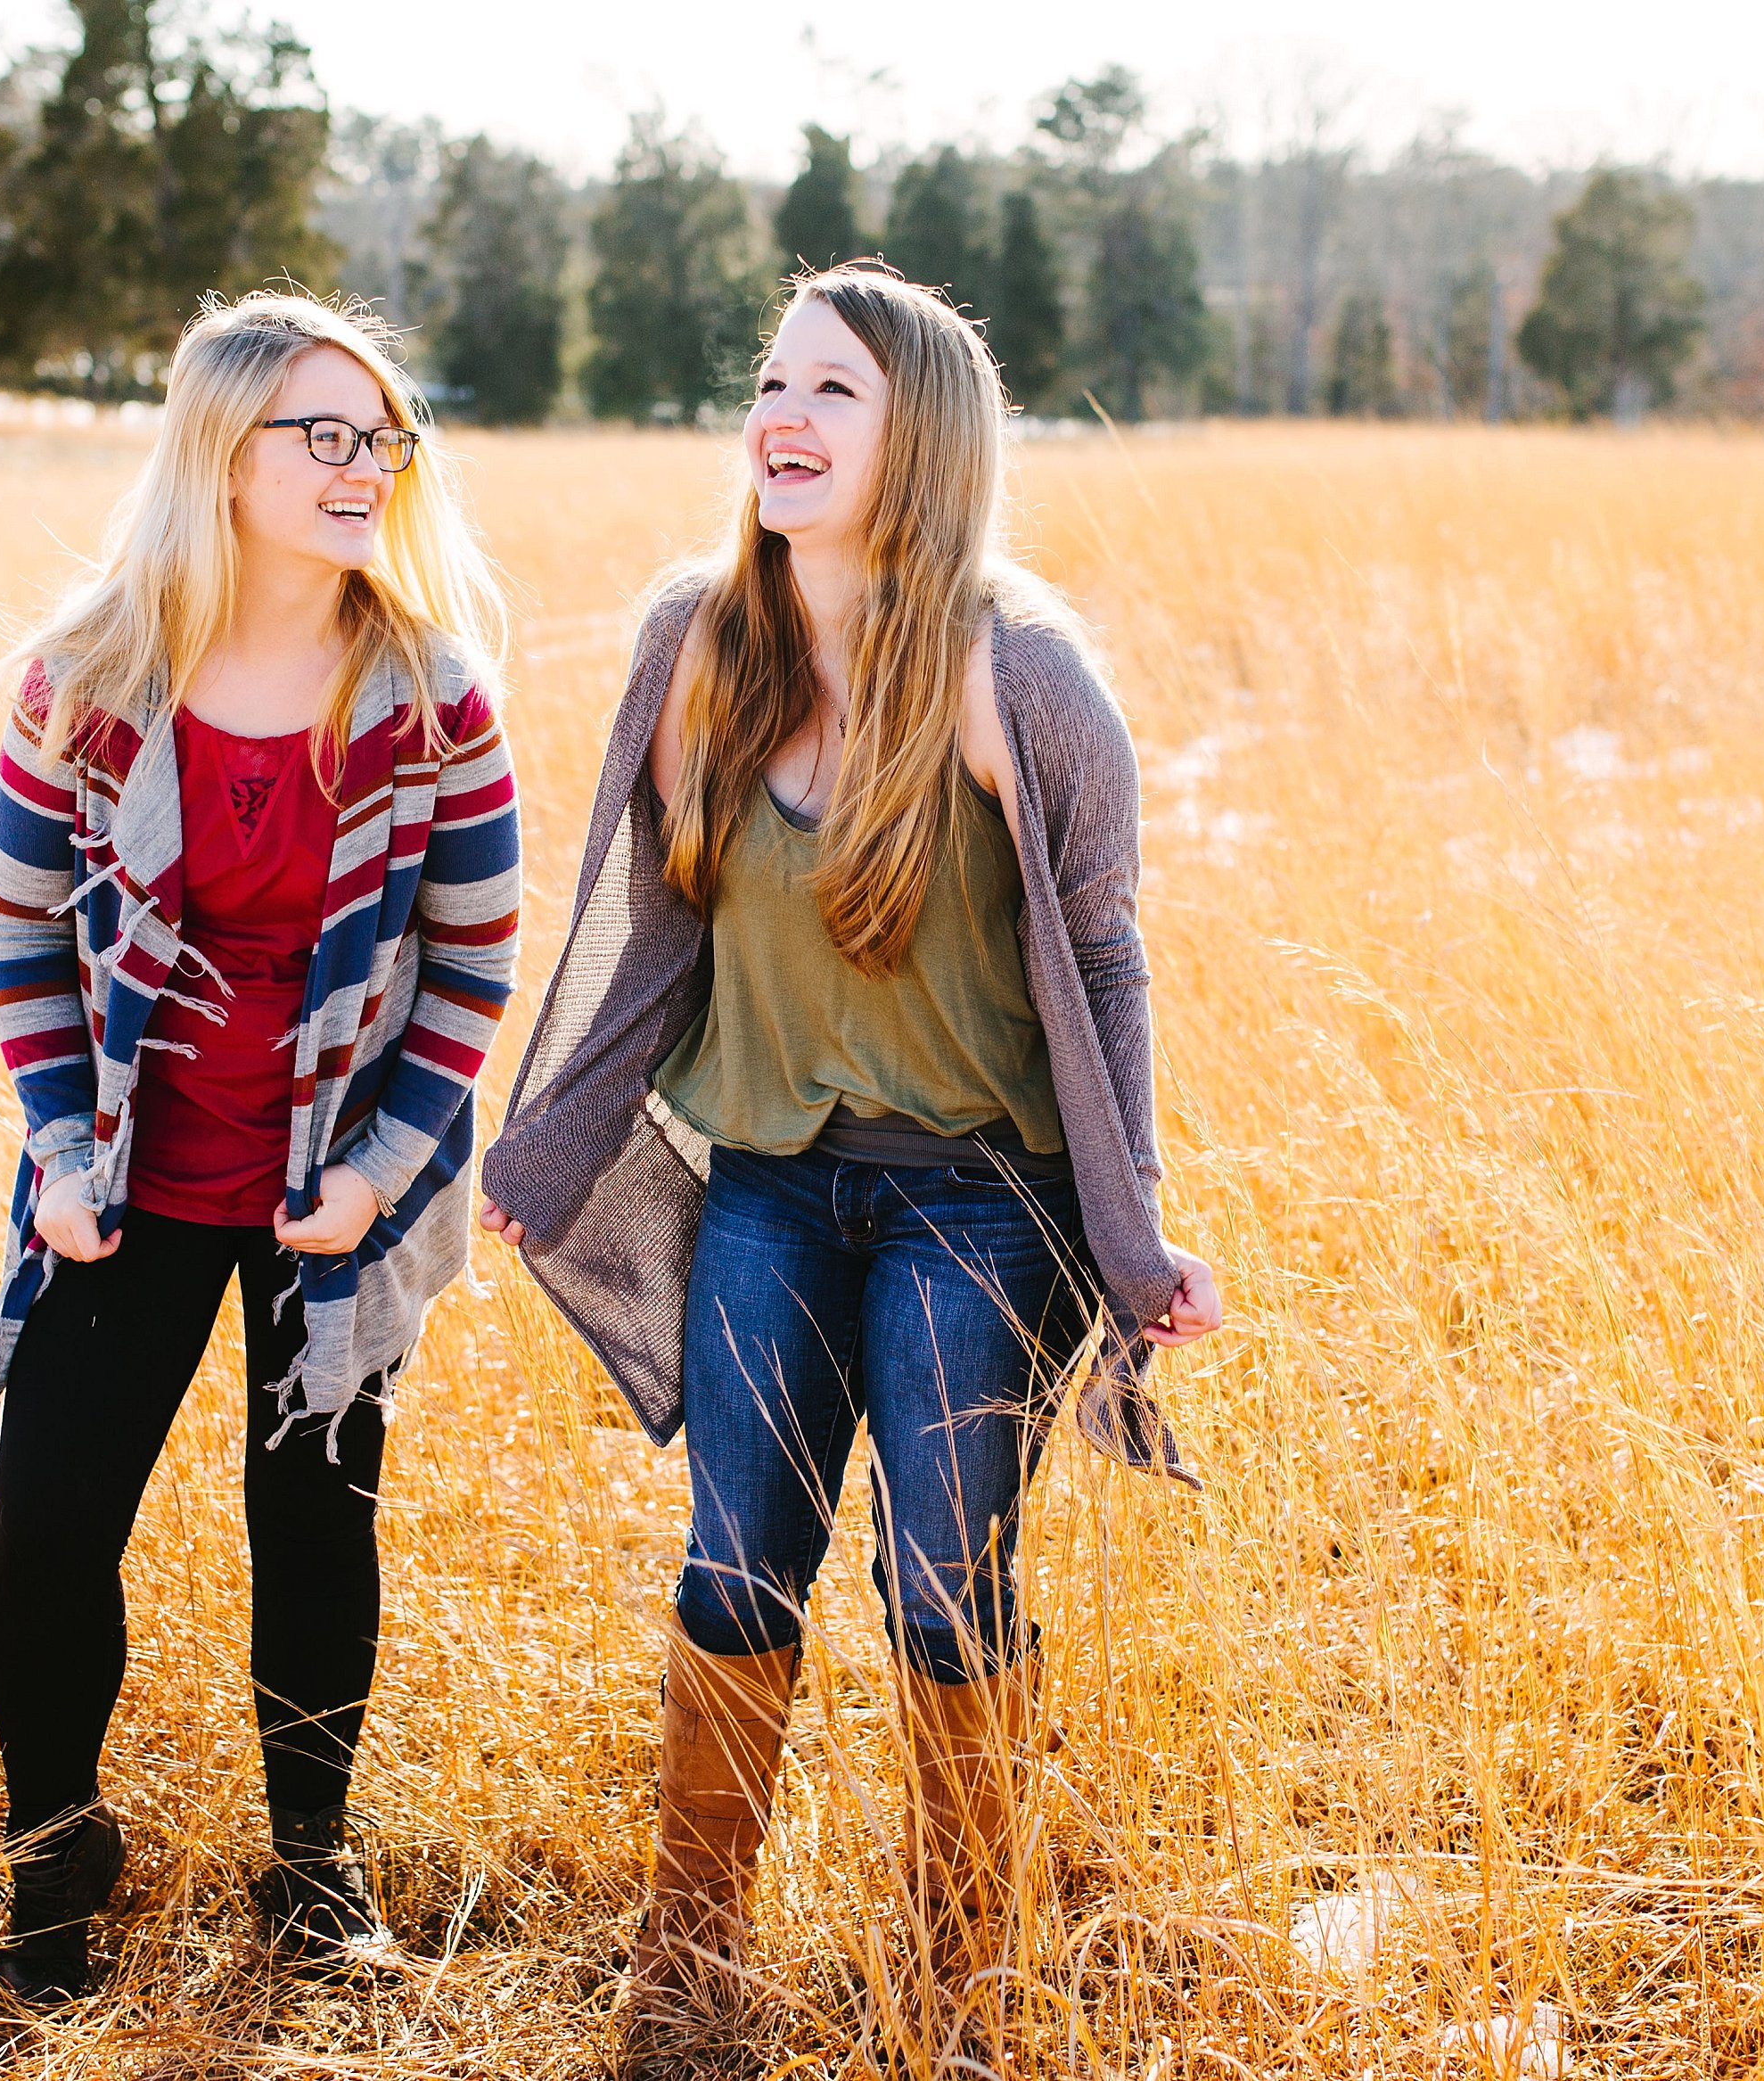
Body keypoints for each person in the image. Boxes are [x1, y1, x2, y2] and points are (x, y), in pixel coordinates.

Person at [477, 263, 1221, 2040]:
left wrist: (1134, 1234)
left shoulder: (1013, 666)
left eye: (833, 394)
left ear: (925, 440)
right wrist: (547, 1139)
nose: (781, 419)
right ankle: (695, 1948)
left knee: (943, 1574)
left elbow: (1102, 956)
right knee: (736, 1557)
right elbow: (647, 926)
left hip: (978, 1199)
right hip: (772, 1192)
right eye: (771, 383)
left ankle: (966, 1955)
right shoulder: (698, 638)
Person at [0, 292, 521, 2004]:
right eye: (325, 435)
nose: (368, 467)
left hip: (331, 1189)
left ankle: (312, 1860)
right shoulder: (85, 681)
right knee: (46, 1533)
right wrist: (62, 1153)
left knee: (313, 1517)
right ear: (223, 452)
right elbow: (20, 940)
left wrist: (376, 1175)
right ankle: (55, 1865)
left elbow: (474, 962)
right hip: (122, 1187)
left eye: (385, 438)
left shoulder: (433, 696)